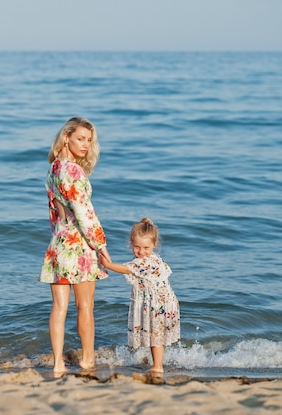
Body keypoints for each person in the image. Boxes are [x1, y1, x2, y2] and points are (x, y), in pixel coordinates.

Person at [39, 117, 111, 373]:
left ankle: (58, 363)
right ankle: (88, 360)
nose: (85, 145)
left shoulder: (53, 169)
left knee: (58, 307)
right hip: (79, 246)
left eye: (89, 140)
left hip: (58, 244)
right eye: (80, 138)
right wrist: (101, 246)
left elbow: (54, 215)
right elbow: (84, 213)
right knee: (85, 307)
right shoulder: (73, 170)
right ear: (66, 136)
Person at [99, 217, 180, 376]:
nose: (141, 252)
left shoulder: (147, 262)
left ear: (154, 245)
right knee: (155, 336)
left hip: (158, 304)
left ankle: (158, 366)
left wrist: (108, 265)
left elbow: (126, 269)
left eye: (146, 248)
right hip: (160, 302)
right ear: (131, 243)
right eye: (137, 247)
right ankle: (157, 364)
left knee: (156, 336)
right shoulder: (151, 259)